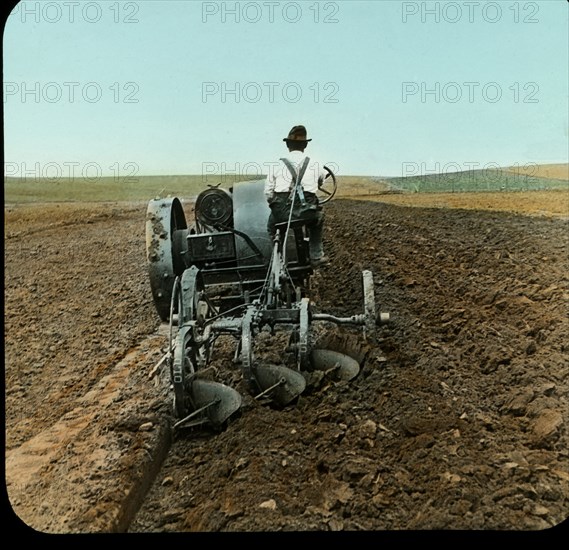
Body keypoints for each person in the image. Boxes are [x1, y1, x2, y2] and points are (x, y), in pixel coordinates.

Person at [264, 125, 329, 267]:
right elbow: (321, 182)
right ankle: (316, 256)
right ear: (305, 145)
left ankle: (279, 259)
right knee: (318, 218)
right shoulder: (316, 163)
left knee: (271, 227)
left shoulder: (276, 164)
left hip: (282, 214)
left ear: (288, 145)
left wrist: (276, 205)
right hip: (307, 213)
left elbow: (268, 193)